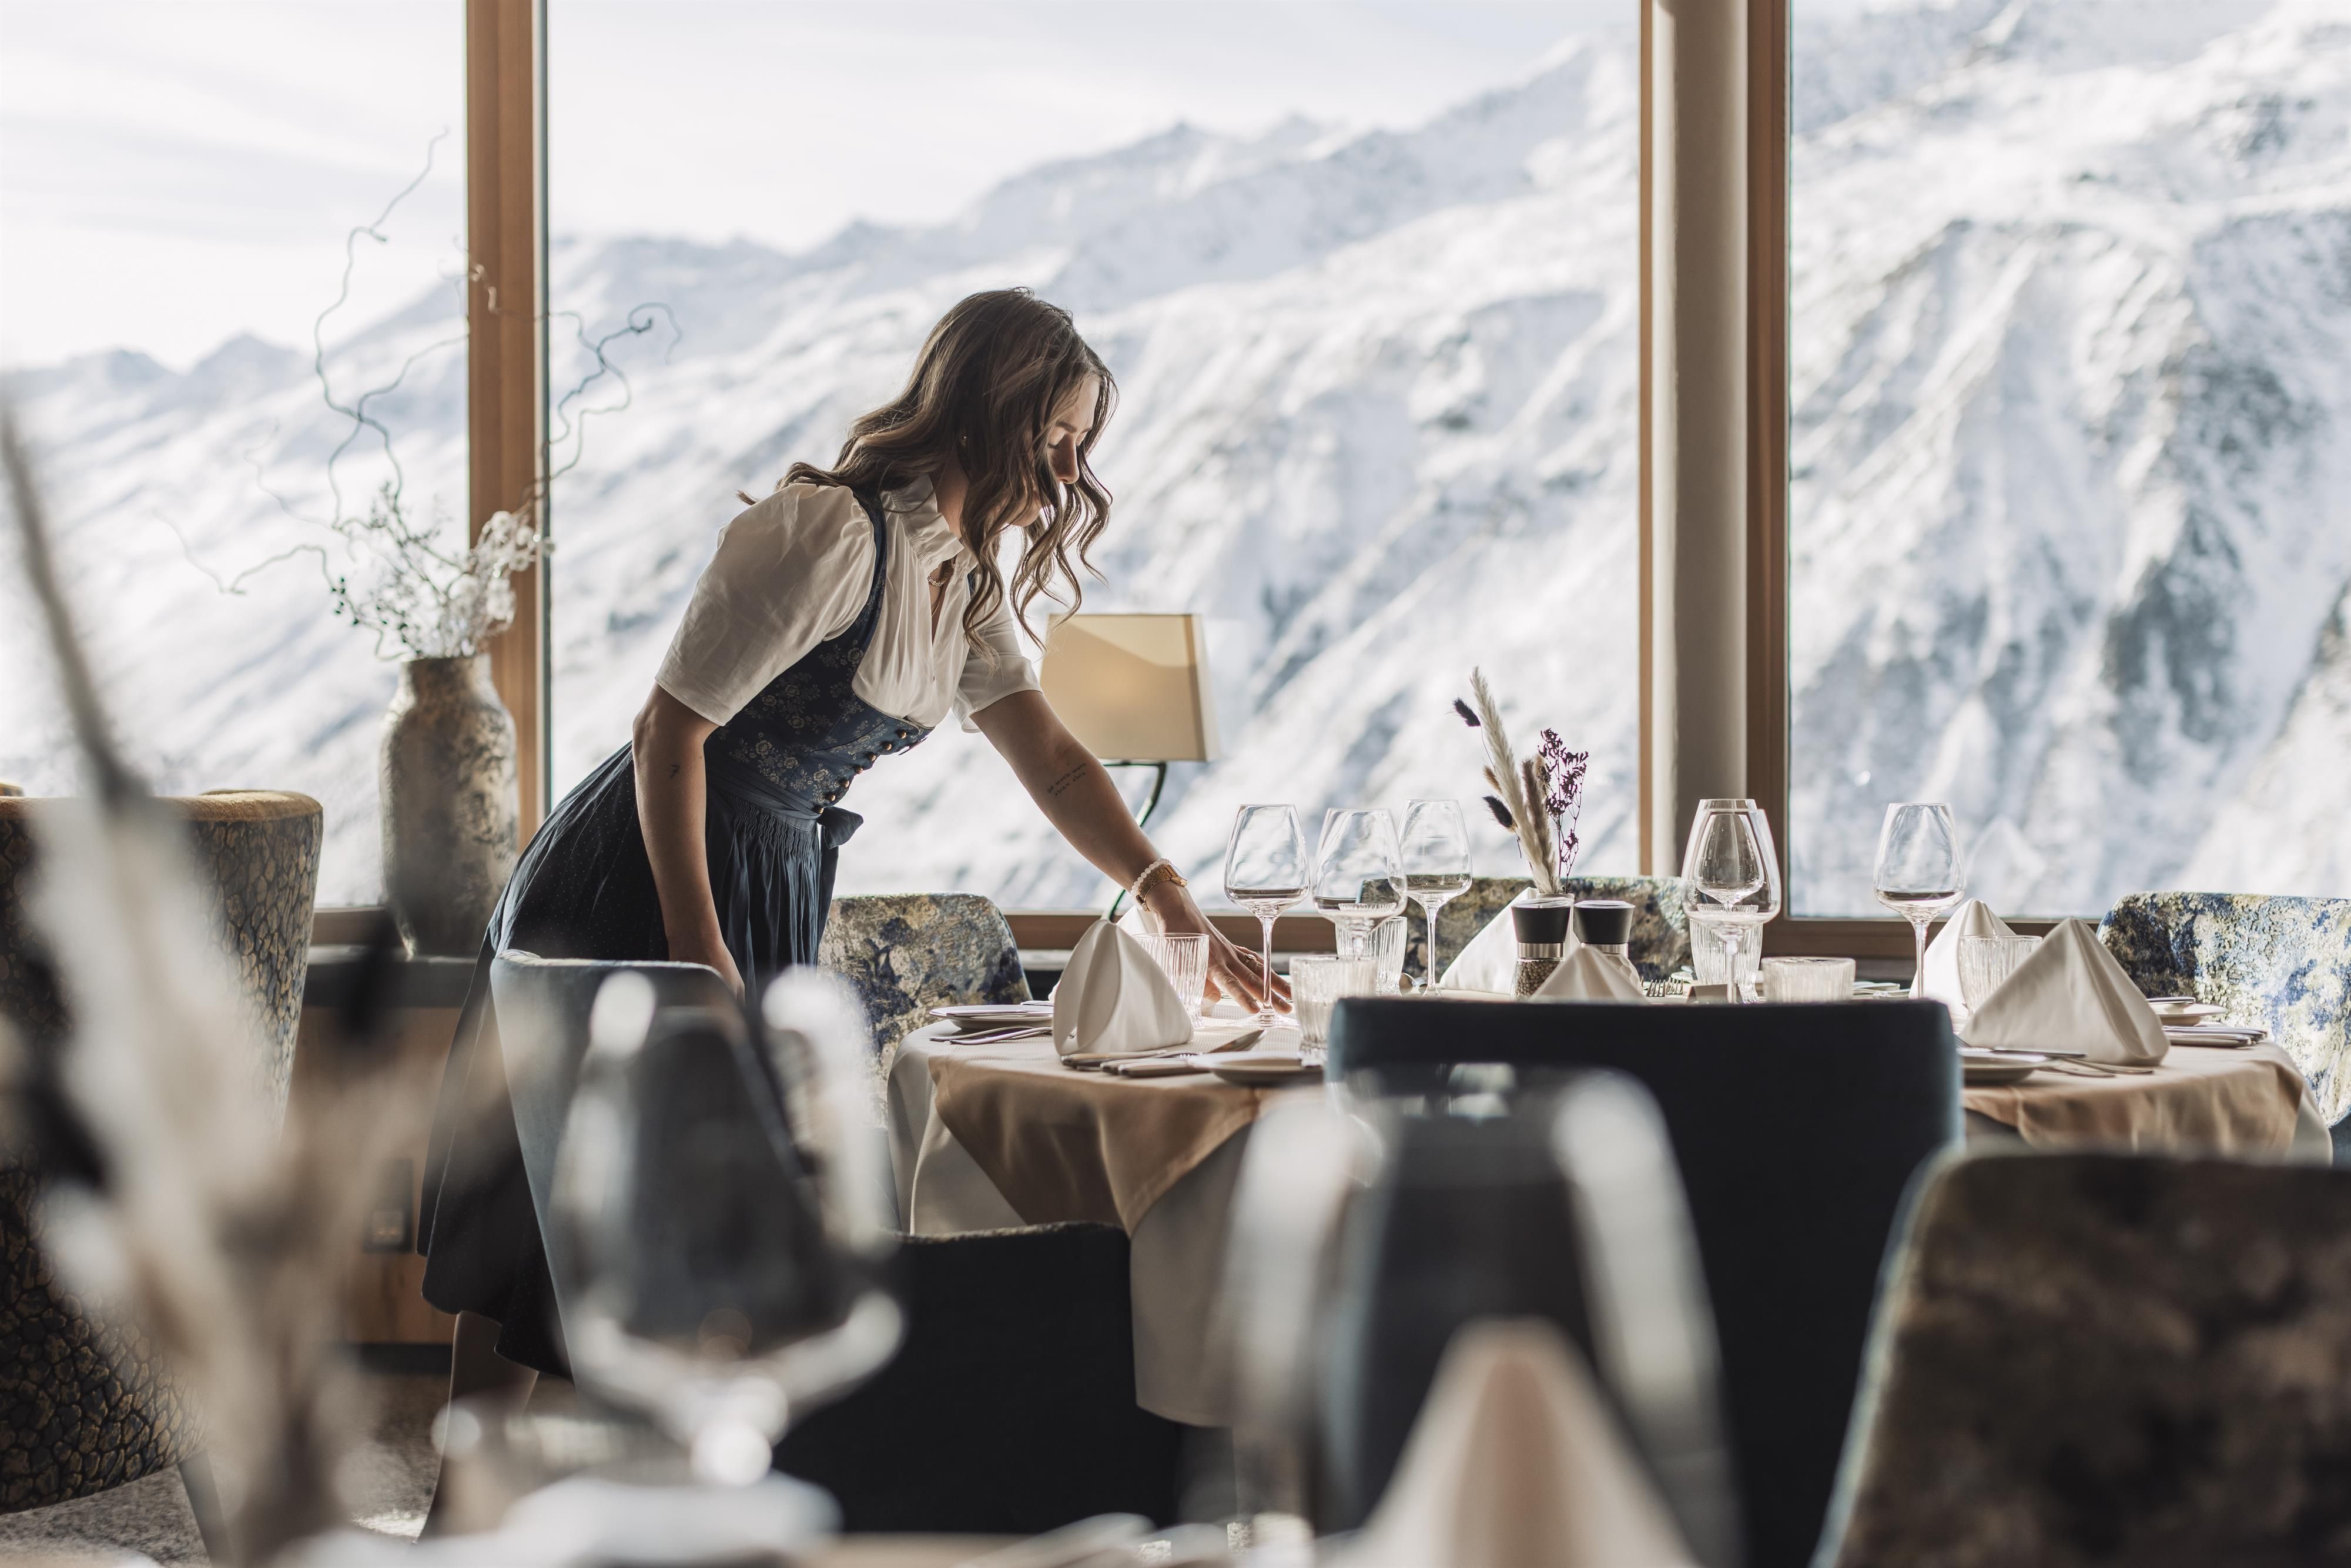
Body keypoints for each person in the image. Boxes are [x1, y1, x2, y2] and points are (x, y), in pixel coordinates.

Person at [414, 289, 1275, 1522]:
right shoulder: (831, 531)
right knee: (547, 1199)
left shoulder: (958, 581)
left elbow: (1055, 762)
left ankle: (642, 1499)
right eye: (1059, 434)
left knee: (695, 1209)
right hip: (646, 870)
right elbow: (672, 730)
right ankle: (463, 1512)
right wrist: (695, 942)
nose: (1072, 470)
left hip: (767, 869)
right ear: (993, 408)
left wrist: (1169, 899)